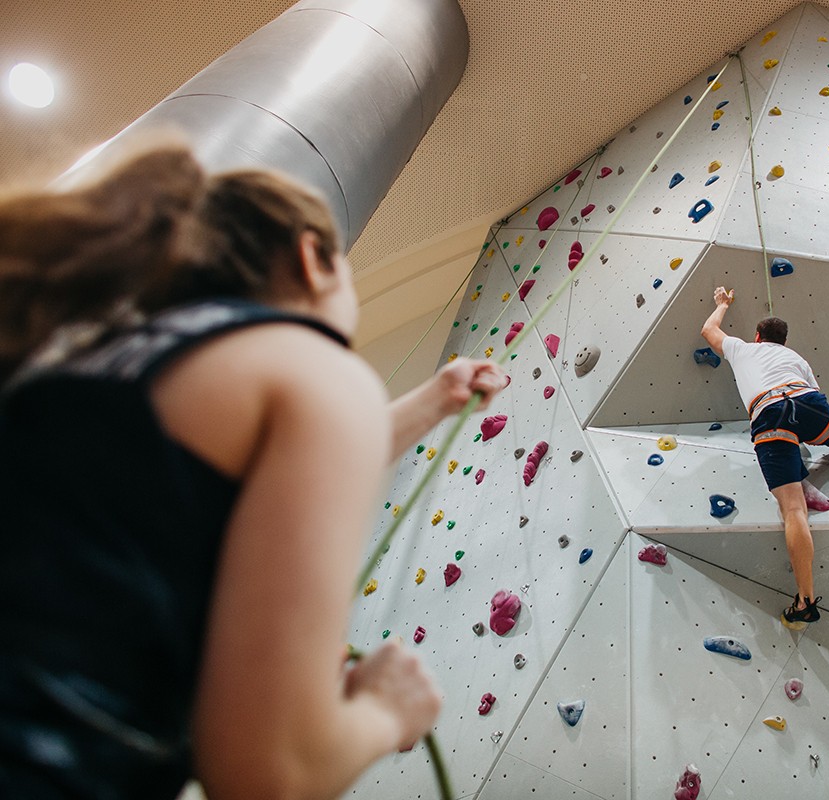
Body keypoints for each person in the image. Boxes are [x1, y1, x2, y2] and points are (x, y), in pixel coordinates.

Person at [0, 141, 508, 799]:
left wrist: (434, 399)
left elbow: (217, 484)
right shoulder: (313, 367)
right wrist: (387, 709)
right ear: (312, 257)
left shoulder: (101, 367)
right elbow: (270, 776)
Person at [700, 286, 829, 630]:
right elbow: (817, 394)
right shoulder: (797, 359)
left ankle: (805, 600)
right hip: (807, 399)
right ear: (783, 341)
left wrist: (722, 305)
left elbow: (709, 331)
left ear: (757, 336)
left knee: (793, 509)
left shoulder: (743, 348)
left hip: (769, 412)